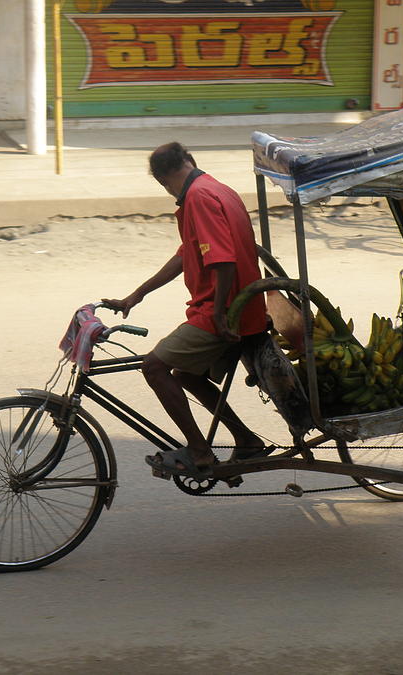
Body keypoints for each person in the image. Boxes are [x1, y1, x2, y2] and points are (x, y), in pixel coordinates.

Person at [103, 142, 272, 479]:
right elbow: (186, 255)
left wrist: (222, 315)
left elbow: (222, 260)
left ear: (164, 180)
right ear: (189, 161)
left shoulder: (198, 198)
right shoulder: (216, 188)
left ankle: (199, 452)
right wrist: (136, 295)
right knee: (185, 374)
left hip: (223, 312)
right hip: (235, 307)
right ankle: (246, 440)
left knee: (153, 367)